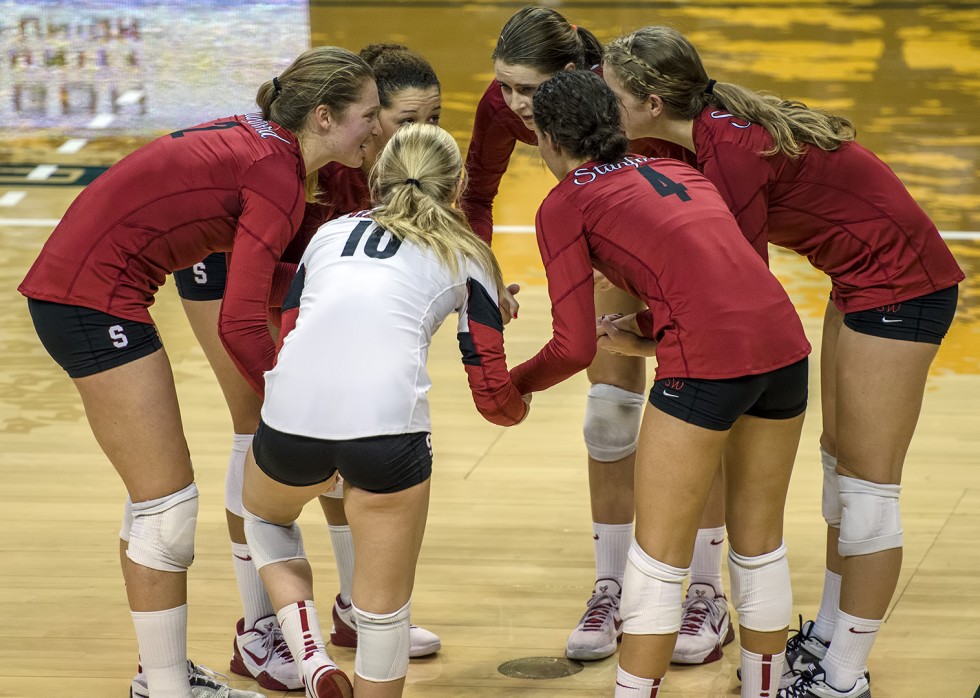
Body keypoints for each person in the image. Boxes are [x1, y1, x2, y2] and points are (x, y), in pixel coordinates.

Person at [602, 26, 964, 698]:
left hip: (901, 284)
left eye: (612, 93)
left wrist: (647, 331)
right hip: (861, 278)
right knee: (840, 467)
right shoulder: (701, 130)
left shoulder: (730, 148)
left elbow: (733, 285)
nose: (604, 103)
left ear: (653, 101)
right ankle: (826, 640)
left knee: (868, 494)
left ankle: (841, 680)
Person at [18, 46, 381, 698]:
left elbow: (259, 283)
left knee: (158, 503)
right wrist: (292, 421)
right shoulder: (276, 173)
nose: (378, 129)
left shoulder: (274, 154)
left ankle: (161, 677)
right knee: (165, 508)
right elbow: (241, 322)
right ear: (324, 117)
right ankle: (164, 689)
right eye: (369, 115)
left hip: (91, 288)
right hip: (87, 295)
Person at [512, 69, 812, 698]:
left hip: (709, 366)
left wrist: (513, 384)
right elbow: (714, 278)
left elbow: (573, 345)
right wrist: (648, 333)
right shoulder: (682, 171)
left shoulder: (563, 202)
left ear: (548, 139)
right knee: (759, 545)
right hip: (783, 348)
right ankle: (767, 689)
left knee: (656, 560)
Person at [462, 5, 733, 665]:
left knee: (695, 404)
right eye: (506, 85)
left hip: (676, 232)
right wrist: (483, 278)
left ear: (575, 79)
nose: (516, 104)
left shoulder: (627, 102)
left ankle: (707, 592)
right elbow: (478, 194)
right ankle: (611, 585)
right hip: (606, 226)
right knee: (608, 417)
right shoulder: (503, 108)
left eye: (530, 90)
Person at [171, 43, 443, 691]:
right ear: (360, 117)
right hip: (227, 268)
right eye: (402, 120)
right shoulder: (305, 165)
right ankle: (259, 632)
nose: (415, 136)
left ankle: (354, 608)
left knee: (343, 426)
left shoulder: (372, 162)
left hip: (287, 275)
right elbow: (260, 292)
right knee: (260, 426)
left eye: (428, 120)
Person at [240, 122, 529, 698]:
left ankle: (310, 653)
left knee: (266, 518)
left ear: (377, 178)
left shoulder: (329, 235)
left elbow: (291, 334)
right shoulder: (469, 256)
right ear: (456, 188)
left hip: (291, 423)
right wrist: (521, 399)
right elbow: (492, 396)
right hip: (387, 439)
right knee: (383, 615)